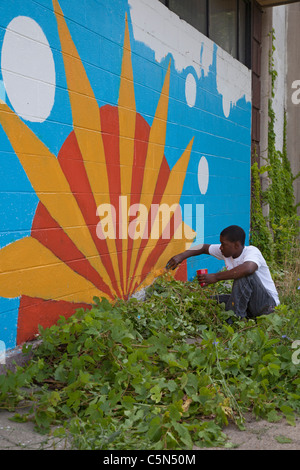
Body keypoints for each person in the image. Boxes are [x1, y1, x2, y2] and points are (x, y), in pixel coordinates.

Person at [166, 225, 279, 320]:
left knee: (244, 274)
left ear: (236, 245)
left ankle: (235, 321)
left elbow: (248, 268)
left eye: (223, 244)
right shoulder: (227, 252)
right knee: (211, 301)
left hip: (267, 305)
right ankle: (242, 316)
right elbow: (203, 247)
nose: (220, 247)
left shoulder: (252, 252)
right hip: (250, 305)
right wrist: (180, 256)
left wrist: (215, 277)